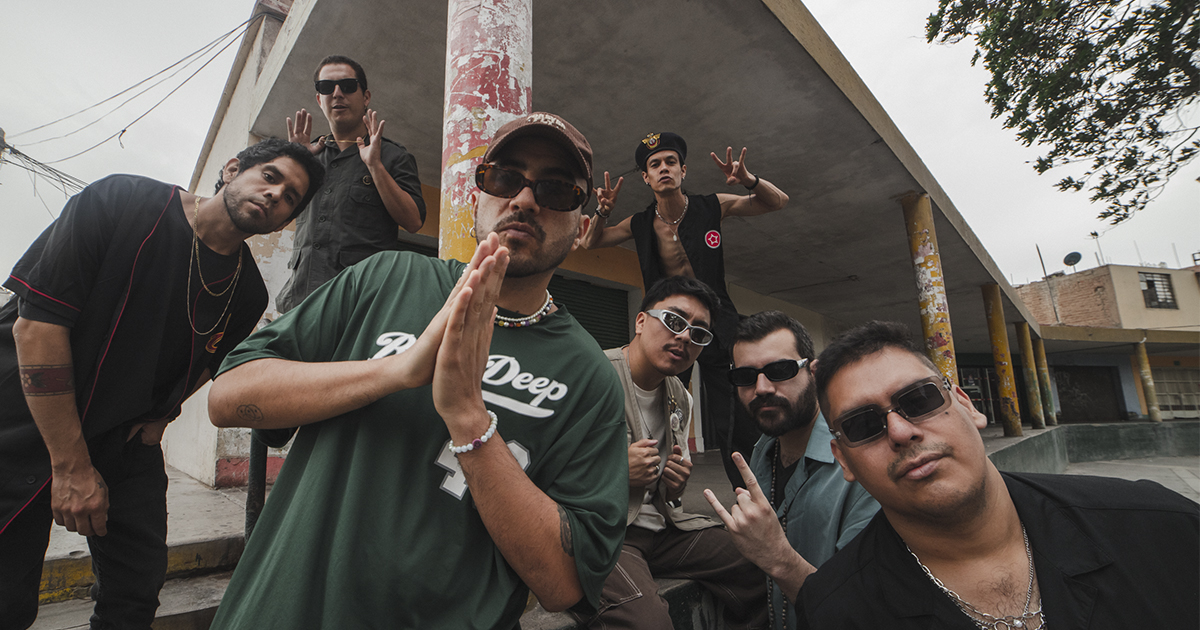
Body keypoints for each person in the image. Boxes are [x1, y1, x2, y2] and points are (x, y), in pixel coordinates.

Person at [205, 112, 630, 629]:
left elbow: (565, 584)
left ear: (582, 228)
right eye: (504, 178)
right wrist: (398, 371)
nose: (523, 200)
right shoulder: (386, 277)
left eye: (557, 189)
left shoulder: (591, 376)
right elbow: (227, 397)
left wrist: (468, 417)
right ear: (476, 198)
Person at [0, 138, 324, 629]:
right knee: (7, 599)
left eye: (291, 198)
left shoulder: (248, 293)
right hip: (22, 415)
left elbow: (207, 363)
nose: (276, 194)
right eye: (271, 176)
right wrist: (70, 465)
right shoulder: (122, 200)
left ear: (285, 223)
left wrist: (164, 413)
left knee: (135, 591)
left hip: (123, 436)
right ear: (232, 169)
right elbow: (36, 328)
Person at [798, 320, 1200, 629]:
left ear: (966, 406)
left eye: (919, 399)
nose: (901, 432)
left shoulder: (1161, 528)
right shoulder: (835, 612)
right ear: (843, 460)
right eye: (863, 425)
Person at [581, 132, 788, 489]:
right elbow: (589, 241)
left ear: (683, 170)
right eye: (655, 165)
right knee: (658, 403)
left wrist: (749, 180)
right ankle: (656, 487)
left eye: (670, 162)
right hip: (668, 327)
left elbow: (777, 201)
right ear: (646, 178)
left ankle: (752, 492)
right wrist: (603, 211)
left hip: (717, 325)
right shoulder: (640, 223)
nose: (663, 168)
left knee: (733, 415)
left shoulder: (711, 206)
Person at [584, 276, 767, 629]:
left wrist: (674, 486)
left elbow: (667, 493)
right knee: (649, 622)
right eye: (673, 320)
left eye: (698, 333)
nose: (684, 336)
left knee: (758, 560)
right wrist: (616, 472)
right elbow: (544, 469)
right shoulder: (591, 375)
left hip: (663, 530)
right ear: (641, 321)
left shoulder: (679, 396)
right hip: (603, 535)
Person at [703, 311, 878, 630]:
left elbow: (862, 610)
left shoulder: (864, 462)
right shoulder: (763, 451)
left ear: (814, 372)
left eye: (779, 370)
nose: (761, 388)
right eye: (745, 376)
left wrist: (777, 558)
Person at [277, 54, 426, 312]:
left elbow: (413, 221)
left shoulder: (392, 156)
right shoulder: (309, 157)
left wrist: (375, 166)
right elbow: (277, 221)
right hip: (300, 303)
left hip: (360, 305)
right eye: (327, 87)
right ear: (319, 99)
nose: (337, 94)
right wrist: (294, 163)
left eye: (347, 86)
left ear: (365, 97)